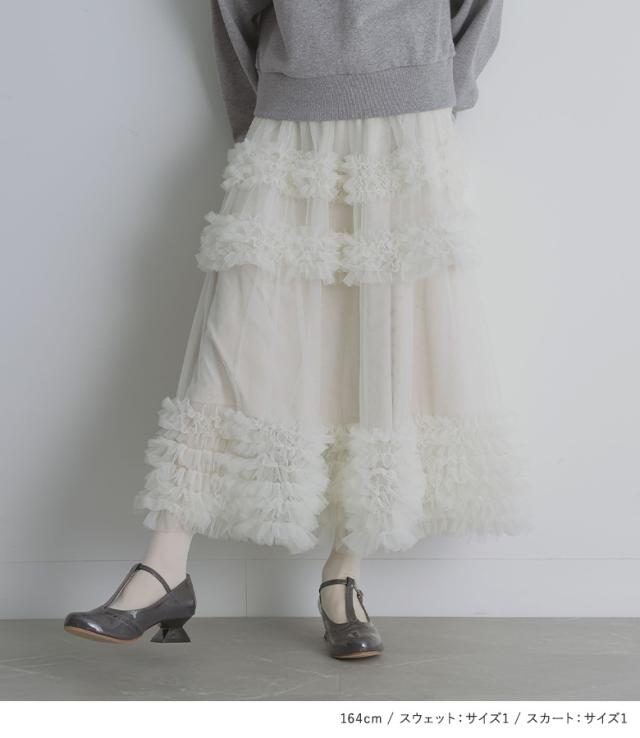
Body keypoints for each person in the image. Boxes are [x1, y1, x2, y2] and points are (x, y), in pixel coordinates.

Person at [64, 0, 526, 659]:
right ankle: (166, 562)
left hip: (411, 129)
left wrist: (435, 99)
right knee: (239, 330)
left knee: (383, 344)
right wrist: (264, 117)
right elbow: (233, 14)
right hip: (290, 125)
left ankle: (344, 574)